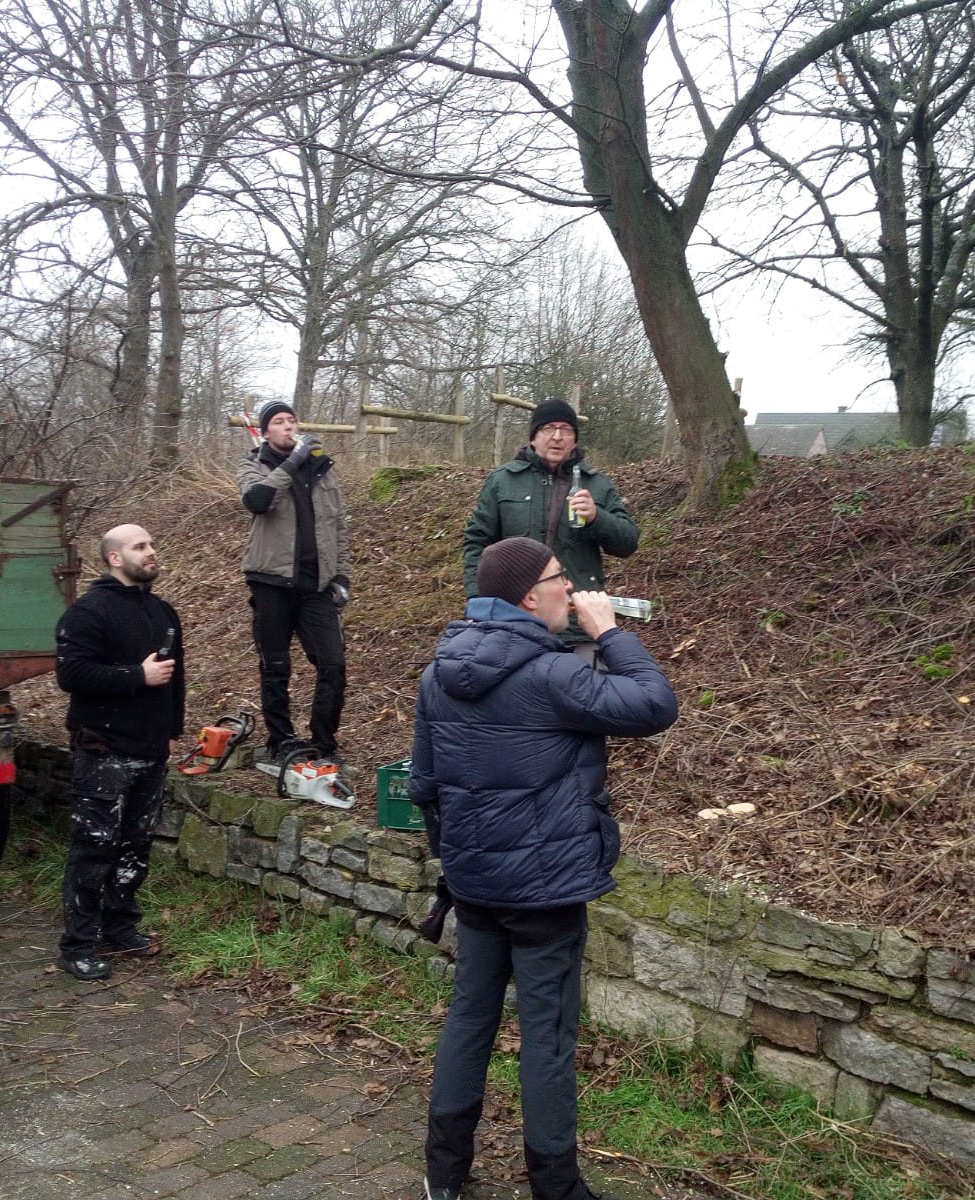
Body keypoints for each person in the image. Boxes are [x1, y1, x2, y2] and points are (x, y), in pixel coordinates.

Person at [411, 536, 678, 1200]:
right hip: (544, 893)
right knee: (548, 1038)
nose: (572, 587)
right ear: (531, 597)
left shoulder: (438, 672)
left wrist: (460, 862)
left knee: (469, 1018)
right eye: (562, 577)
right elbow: (653, 705)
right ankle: (556, 1188)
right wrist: (609, 632)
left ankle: (443, 1176)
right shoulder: (554, 676)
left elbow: (424, 785)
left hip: (474, 886)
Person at [54, 524, 184, 982]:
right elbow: (71, 675)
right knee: (94, 848)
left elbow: (175, 678)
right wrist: (136, 676)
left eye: (152, 544)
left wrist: (172, 730)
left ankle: (119, 928)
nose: (151, 552)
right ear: (114, 558)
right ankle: (77, 945)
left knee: (135, 846)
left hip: (151, 749)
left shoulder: (163, 612)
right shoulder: (88, 613)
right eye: (140, 546)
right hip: (102, 749)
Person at [462, 398, 638, 659]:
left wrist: (596, 517)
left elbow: (628, 542)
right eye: (548, 429)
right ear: (533, 437)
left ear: (575, 440)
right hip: (514, 621)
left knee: (582, 686)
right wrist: (478, 601)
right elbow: (477, 543)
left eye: (566, 430)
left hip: (578, 624)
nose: (557, 437)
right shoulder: (503, 480)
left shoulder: (597, 484)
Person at [238, 399, 351, 764]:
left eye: (291, 420)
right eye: (279, 421)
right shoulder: (254, 465)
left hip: (316, 586)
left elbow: (338, 526)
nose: (288, 426)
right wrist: (293, 461)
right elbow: (258, 501)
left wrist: (341, 575)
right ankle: (281, 740)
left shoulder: (323, 469)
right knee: (275, 667)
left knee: (333, 664)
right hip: (271, 581)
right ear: (265, 432)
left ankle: (323, 743)